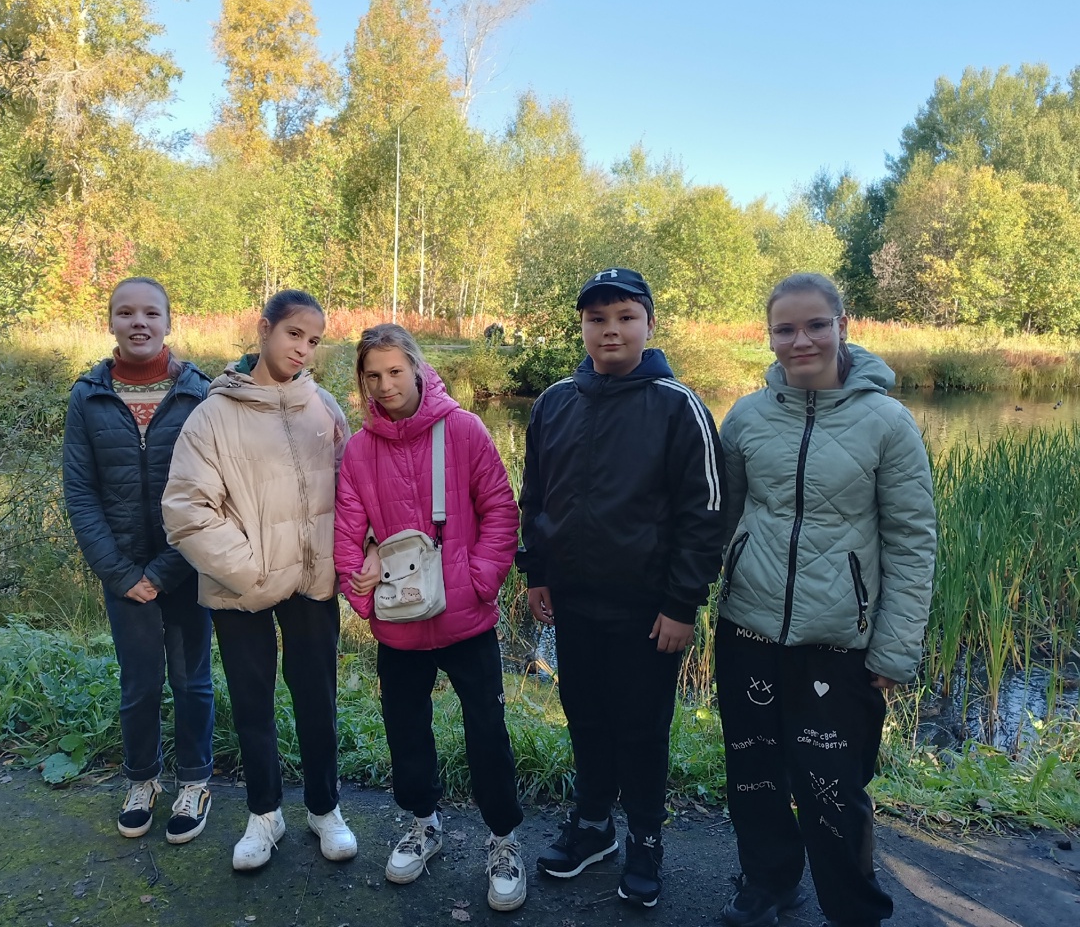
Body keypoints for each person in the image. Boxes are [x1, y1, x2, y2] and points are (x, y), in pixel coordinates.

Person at [715, 272, 937, 927]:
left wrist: (894, 647)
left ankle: (853, 908)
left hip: (839, 640)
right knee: (753, 772)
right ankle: (769, 882)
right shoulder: (746, 417)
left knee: (831, 784)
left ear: (844, 325)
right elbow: (720, 518)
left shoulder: (889, 424)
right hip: (747, 628)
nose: (801, 341)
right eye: (785, 329)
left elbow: (912, 541)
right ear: (770, 337)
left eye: (816, 325)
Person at [517, 267, 727, 909]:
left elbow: (705, 514)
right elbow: (536, 495)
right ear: (582, 327)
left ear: (649, 325)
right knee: (585, 715)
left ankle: (644, 838)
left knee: (641, 727)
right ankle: (592, 826)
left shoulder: (678, 406)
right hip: (573, 602)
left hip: (647, 611)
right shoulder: (556, 402)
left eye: (626, 317)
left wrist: (681, 603)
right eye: (597, 319)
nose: (611, 330)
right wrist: (537, 572)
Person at [161, 289, 357, 872]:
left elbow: (353, 493)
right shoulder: (213, 416)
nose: (303, 350)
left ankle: (324, 808)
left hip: (313, 583)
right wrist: (252, 571)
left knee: (318, 699)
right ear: (264, 328)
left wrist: (351, 555)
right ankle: (264, 815)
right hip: (240, 587)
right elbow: (187, 510)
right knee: (252, 704)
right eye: (294, 334)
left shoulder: (324, 408)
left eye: (314, 341)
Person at [333, 324, 525, 911]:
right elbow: (347, 531)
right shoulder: (359, 450)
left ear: (416, 369)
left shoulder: (463, 430)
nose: (385, 385)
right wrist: (362, 594)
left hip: (468, 621)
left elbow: (500, 510)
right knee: (405, 729)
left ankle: (503, 839)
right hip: (400, 622)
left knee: (486, 730)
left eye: (395, 371)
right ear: (362, 380)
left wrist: (480, 580)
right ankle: (424, 824)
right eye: (373, 375)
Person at [62, 276, 216, 845]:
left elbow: (213, 491)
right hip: (122, 572)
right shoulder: (88, 396)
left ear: (168, 322)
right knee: (139, 684)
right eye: (125, 312)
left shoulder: (200, 394)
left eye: (151, 312)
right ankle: (142, 780)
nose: (139, 322)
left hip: (189, 565)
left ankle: (195, 782)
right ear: (110, 322)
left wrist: (166, 569)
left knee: (192, 681)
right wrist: (123, 574)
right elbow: (80, 493)